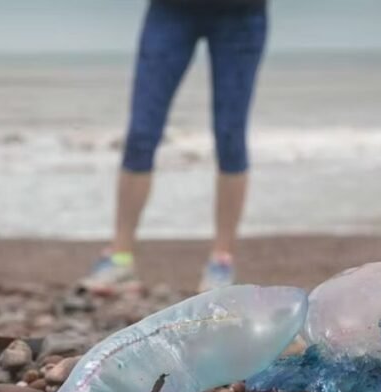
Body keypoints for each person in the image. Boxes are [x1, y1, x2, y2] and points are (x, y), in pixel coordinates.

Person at [79, 0, 269, 294]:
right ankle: (120, 257)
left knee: (230, 136)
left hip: (243, 13)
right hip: (170, 11)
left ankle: (221, 260)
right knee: (142, 133)